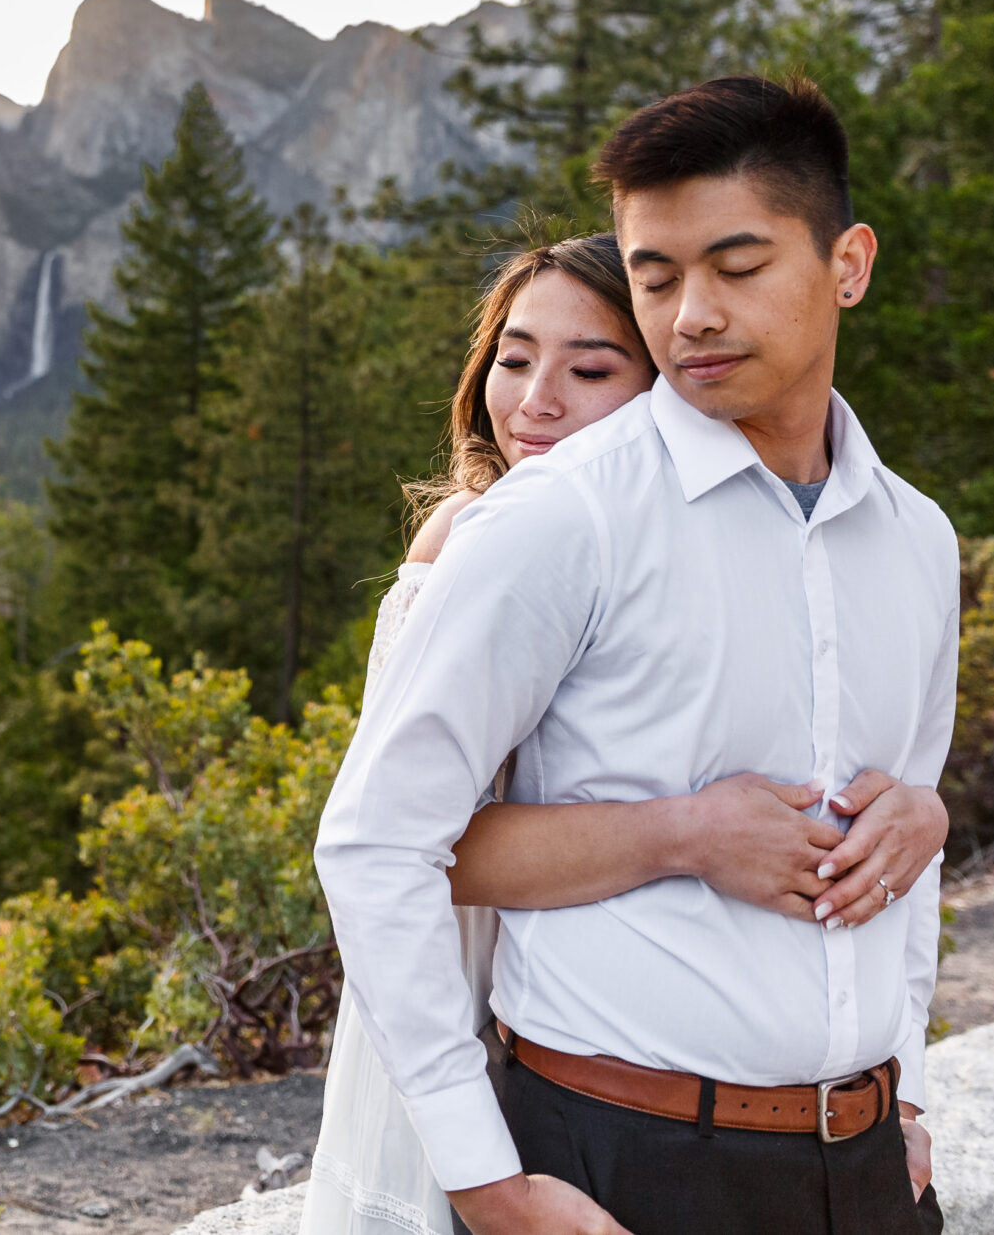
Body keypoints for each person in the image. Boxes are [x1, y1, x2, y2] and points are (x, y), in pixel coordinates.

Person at [316, 76, 959, 1235]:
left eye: (737, 265)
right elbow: (376, 839)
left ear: (847, 264)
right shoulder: (557, 520)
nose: (691, 314)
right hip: (621, 1163)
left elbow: (898, 845)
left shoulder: (916, 539)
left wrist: (898, 1090)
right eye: (656, 277)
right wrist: (483, 1178)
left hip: (867, 1172)